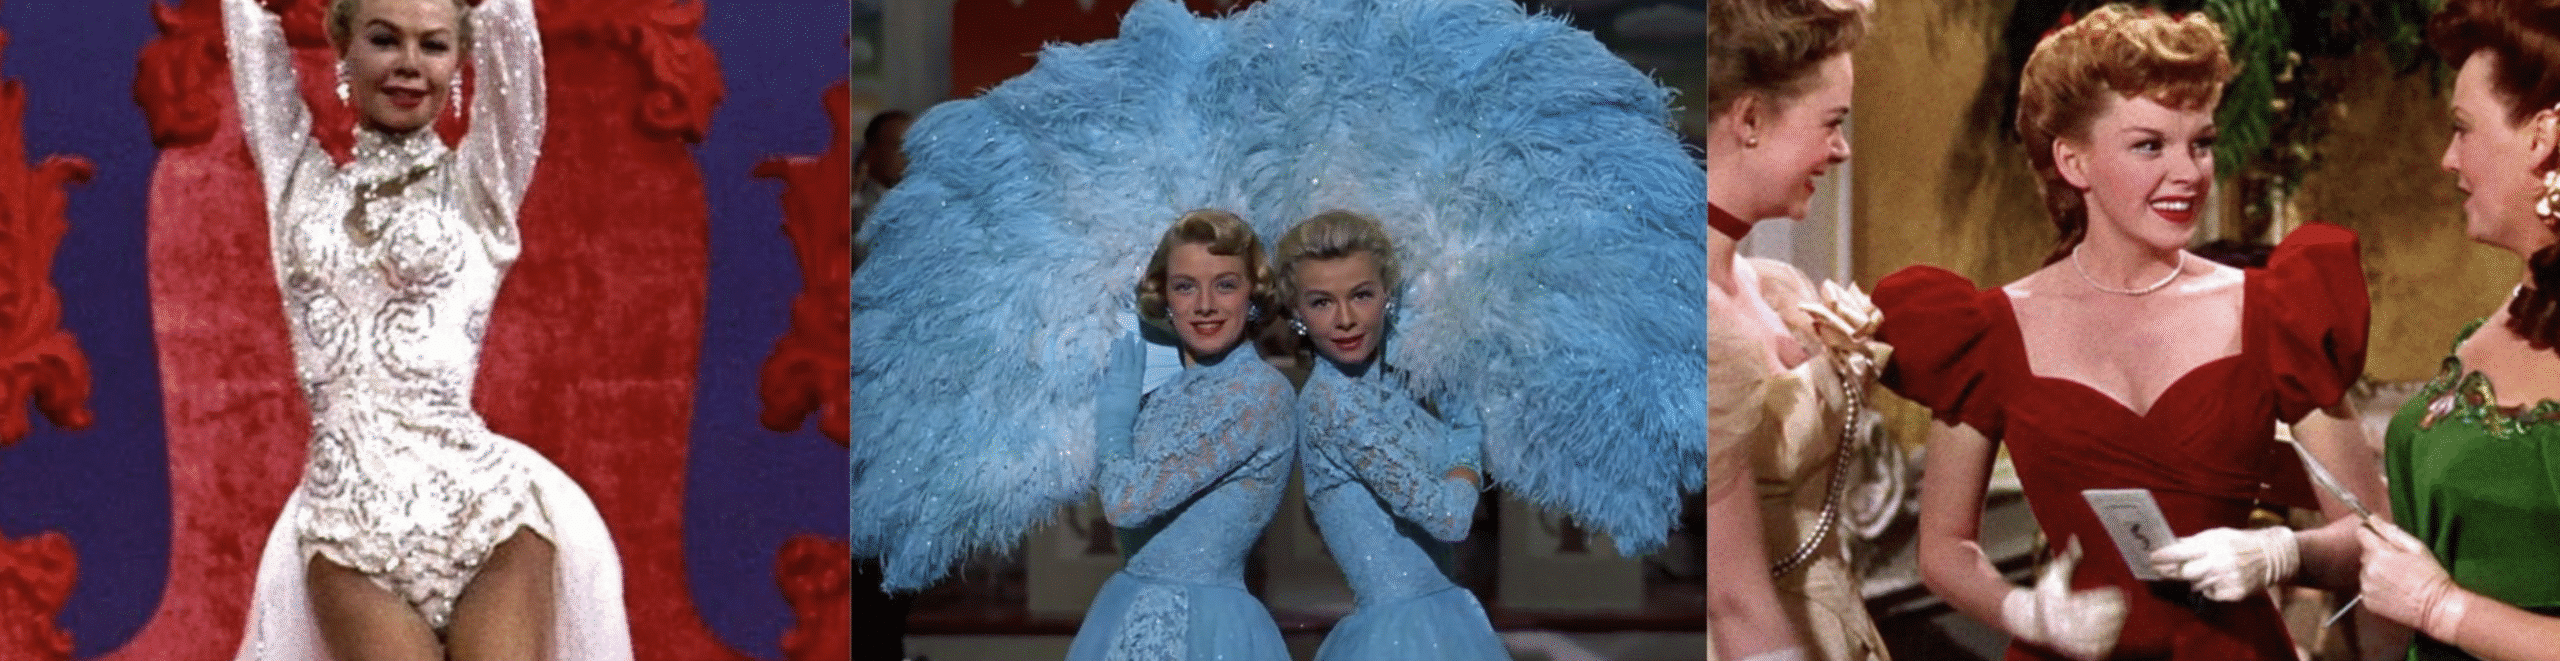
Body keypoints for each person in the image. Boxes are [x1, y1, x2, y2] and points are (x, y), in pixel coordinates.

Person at [1874, 5, 2389, 659]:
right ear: (2074, 162)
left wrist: (2279, 551)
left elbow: (2372, 534)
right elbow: (1944, 548)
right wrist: (2026, 611)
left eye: (2200, 142)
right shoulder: (1987, 330)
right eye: (2150, 145)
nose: (2189, 172)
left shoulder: (2276, 310)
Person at [222, 0, 630, 658]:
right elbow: (247, 36)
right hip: (346, 528)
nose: (410, 65)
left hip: (487, 517)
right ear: (344, 49)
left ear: (459, 62)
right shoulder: (298, 185)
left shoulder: (481, 186)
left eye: (434, 46)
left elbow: (515, 54)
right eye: (385, 40)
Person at [2357, 0, 2560, 657]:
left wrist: (2442, 607)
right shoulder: (2500, 319)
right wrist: (2286, 551)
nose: (2448, 159)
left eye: (2463, 129)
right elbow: (2427, 536)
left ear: (2543, 138)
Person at [1704, 0, 1886, 658]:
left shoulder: (1770, 287)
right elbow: (1731, 599)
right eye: (1831, 124)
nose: (1841, 150)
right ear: (1750, 119)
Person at [1275, 210, 1508, 661]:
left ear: (1388, 296)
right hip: (1397, 635)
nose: (1345, 319)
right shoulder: (1331, 405)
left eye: (1361, 295)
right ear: (1297, 314)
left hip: (1441, 619)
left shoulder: (1397, 385)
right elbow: (1450, 520)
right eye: (1321, 302)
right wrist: (1463, 430)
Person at [1065, 209, 1296, 661]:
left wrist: (1115, 422)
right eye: (1185, 286)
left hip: (1208, 624)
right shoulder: (1163, 388)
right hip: (1126, 606)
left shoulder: (1261, 394)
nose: (1205, 304)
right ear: (1165, 298)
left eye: (1225, 284)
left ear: (1253, 296)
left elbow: (1125, 503)